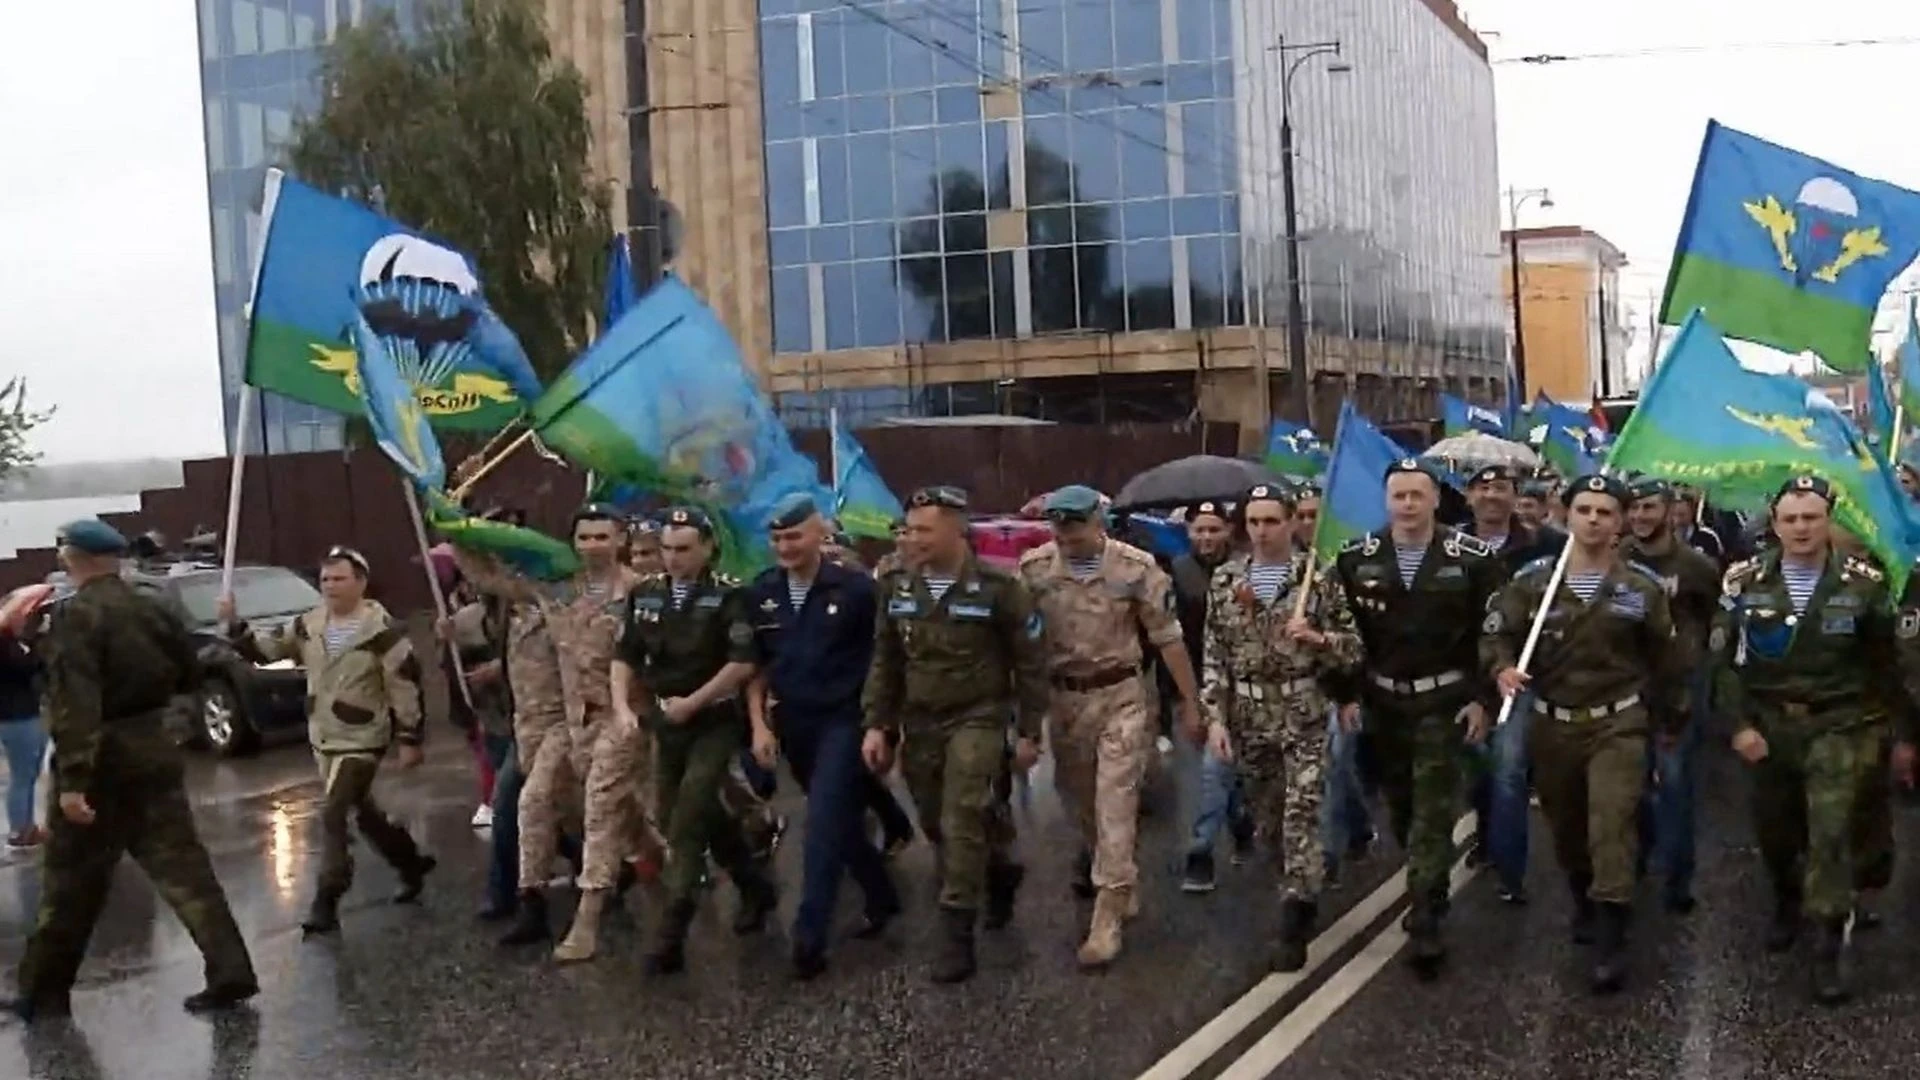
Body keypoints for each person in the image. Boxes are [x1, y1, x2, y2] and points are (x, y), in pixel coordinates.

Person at [10, 519, 256, 1021]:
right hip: (154, 749)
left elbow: (77, 703)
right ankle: (231, 970)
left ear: (70, 557)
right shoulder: (153, 606)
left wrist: (74, 781)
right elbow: (190, 669)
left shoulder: (76, 617)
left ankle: (42, 991)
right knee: (186, 871)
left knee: (70, 881)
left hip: (103, 760)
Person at [1717, 474, 1914, 1004]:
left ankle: (1828, 945)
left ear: (1829, 522)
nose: (1801, 527)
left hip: (1841, 724)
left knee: (1829, 833)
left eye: (1811, 517)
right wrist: (1738, 727)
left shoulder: (1863, 583)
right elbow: (1724, 666)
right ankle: (1785, 898)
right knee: (1778, 832)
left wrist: (1901, 735)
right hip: (1770, 726)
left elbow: (1887, 665)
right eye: (1791, 518)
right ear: (1775, 524)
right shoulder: (1744, 582)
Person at [1487, 475, 1687, 994]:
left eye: (1605, 511)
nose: (1594, 519)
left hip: (1618, 723)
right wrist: (1503, 669)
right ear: (1566, 514)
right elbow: (1497, 634)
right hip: (1554, 723)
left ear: (1621, 523)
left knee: (1610, 823)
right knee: (1569, 829)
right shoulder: (1534, 582)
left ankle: (1611, 933)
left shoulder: (1640, 589)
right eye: (1584, 509)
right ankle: (1584, 897)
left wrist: (1668, 725)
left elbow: (1667, 660)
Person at [863, 485, 1050, 984]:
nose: (913, 539)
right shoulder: (897, 584)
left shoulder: (999, 586)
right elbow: (885, 659)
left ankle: (956, 933)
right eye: (909, 529)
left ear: (957, 529)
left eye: (924, 529)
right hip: (919, 719)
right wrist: (878, 725)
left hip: (979, 716)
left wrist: (1030, 731)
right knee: (935, 822)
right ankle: (999, 869)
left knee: (962, 813)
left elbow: (1030, 664)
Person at [1331, 459, 1503, 979]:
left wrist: (1483, 701)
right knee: (1402, 808)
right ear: (1386, 500)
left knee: (1433, 808)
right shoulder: (1356, 560)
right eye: (1398, 495)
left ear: (1435, 500)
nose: (1407, 505)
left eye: (1417, 495)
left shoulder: (1472, 560)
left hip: (1444, 701)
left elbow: (1490, 635)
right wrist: (1345, 694)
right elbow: (1346, 635)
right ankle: (1425, 881)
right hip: (1383, 703)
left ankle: (1427, 913)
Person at [1019, 484, 1199, 969]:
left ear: (1098, 523)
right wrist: (1024, 720)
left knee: (1116, 802)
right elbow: (1021, 645)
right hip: (1065, 701)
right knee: (1079, 801)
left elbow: (1168, 638)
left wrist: (1191, 704)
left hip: (1122, 696)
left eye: (1075, 524)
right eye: (1058, 524)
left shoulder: (1135, 569)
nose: (1066, 534)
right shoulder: (1035, 571)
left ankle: (1107, 915)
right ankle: (1118, 875)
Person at [461, 505, 651, 963]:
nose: (592, 546)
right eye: (583, 538)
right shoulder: (558, 593)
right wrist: (454, 526)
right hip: (573, 724)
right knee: (559, 805)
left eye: (602, 537)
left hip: (624, 718)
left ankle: (581, 918)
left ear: (620, 540)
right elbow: (491, 578)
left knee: (592, 806)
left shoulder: (643, 595)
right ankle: (544, 898)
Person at [220, 546, 434, 935]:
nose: (331, 586)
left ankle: (327, 899)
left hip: (364, 735)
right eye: (325, 579)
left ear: (361, 582)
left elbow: (404, 684)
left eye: (340, 579)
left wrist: (410, 736)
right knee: (365, 813)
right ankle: (409, 861)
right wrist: (237, 627)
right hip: (323, 735)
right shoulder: (309, 624)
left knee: (334, 812)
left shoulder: (381, 630)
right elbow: (266, 653)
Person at [1201, 484, 1362, 972]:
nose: (1262, 531)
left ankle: (1295, 914)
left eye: (1272, 521)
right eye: (1254, 522)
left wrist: (1317, 637)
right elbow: (1214, 654)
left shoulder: (1317, 577)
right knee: (1269, 818)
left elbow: (1354, 646)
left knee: (1301, 810)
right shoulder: (1227, 579)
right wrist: (1214, 718)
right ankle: (1296, 881)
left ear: (1292, 522)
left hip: (1303, 710)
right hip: (1249, 715)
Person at [614, 506, 776, 975]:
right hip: (667, 720)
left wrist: (696, 700)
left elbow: (743, 662)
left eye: (684, 548)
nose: (672, 558)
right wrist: (624, 707)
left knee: (687, 815)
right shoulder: (645, 595)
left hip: (714, 720)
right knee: (677, 810)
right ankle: (753, 885)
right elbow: (625, 654)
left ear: (707, 547)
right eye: (666, 549)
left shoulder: (728, 597)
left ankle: (671, 929)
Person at [745, 494, 901, 980]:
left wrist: (882, 725)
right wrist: (758, 725)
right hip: (795, 722)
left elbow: (884, 660)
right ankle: (880, 894)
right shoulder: (764, 592)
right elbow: (757, 666)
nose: (785, 547)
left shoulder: (854, 590)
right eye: (777, 539)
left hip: (845, 720)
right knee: (837, 822)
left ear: (819, 535)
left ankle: (809, 937)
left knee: (821, 821)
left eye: (794, 536)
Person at [1458, 464, 1563, 901]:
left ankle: (1509, 870)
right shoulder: (1451, 544)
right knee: (1474, 768)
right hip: (1461, 670)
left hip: (1518, 674)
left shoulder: (1549, 545)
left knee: (1508, 770)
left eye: (1500, 488)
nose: (1491, 496)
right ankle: (1485, 834)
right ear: (1469, 497)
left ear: (1514, 495)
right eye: (1482, 488)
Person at [1620, 477, 1721, 914]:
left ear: (1668, 508)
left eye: (1649, 507)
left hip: (1679, 687)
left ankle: (1679, 879)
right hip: (1627, 687)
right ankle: (1639, 856)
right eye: (1634, 508)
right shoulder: (1616, 559)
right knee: (1631, 785)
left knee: (1676, 782)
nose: (1640, 516)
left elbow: (1714, 618)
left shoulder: (1696, 565)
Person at [1171, 500, 1255, 891]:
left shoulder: (1247, 571)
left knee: (1227, 771)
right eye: (1198, 529)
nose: (1206, 537)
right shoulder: (1176, 572)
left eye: (1214, 528)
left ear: (1228, 531)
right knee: (1210, 772)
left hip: (1244, 687)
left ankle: (1239, 822)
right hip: (1196, 688)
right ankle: (1200, 852)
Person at [1, 614, 47, 849]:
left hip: (20, 714)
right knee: (23, 776)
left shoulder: (14, 643)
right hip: (18, 717)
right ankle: (21, 829)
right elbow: (27, 669)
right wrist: (37, 647)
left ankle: (24, 825)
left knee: (26, 774)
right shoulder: (6, 646)